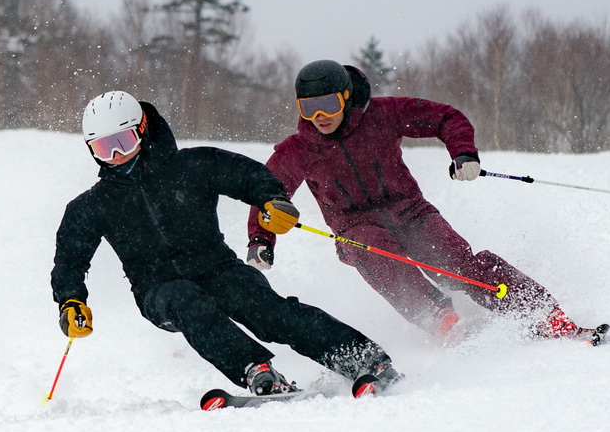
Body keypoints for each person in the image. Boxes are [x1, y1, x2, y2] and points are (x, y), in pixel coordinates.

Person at [51, 90, 403, 399]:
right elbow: (70, 261)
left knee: (269, 312)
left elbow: (249, 176)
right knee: (186, 302)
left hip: (218, 268)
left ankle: (364, 358)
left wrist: (271, 200)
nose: (115, 156)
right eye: (103, 147)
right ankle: (256, 370)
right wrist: (71, 301)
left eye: (123, 142)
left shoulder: (192, 165)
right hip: (157, 289)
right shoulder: (91, 206)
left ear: (142, 130)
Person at [246, 60, 606, 343]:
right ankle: (442, 321)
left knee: (456, 264)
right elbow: (266, 192)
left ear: (345, 97)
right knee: (374, 250)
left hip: (410, 212)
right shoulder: (299, 149)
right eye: (308, 108)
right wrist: (261, 240)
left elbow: (446, 117)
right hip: (355, 228)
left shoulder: (384, 115)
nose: (319, 116)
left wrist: (463, 152)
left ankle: (542, 312)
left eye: (327, 104)